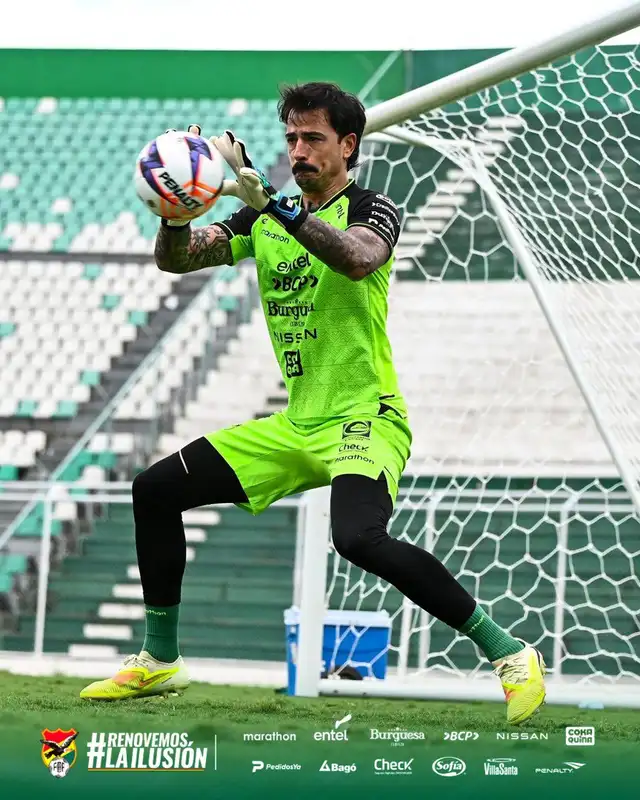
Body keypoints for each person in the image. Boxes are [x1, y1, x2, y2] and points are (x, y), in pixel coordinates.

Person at [80, 82, 546, 723]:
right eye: (291, 138)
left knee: (357, 538)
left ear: (347, 145)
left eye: (313, 138)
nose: (298, 150)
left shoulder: (372, 210)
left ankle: (509, 652)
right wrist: (176, 209)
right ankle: (160, 661)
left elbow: (357, 260)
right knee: (154, 489)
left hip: (366, 413)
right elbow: (178, 261)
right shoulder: (262, 215)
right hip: (300, 421)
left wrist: (272, 205)